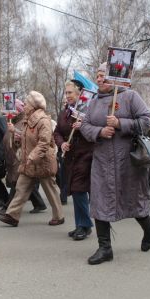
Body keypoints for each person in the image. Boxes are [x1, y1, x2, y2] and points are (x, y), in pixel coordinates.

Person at [79, 63, 150, 265]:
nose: (98, 79)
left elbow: (146, 123)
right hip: (101, 161)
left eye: (102, 75)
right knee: (99, 201)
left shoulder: (130, 96)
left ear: (115, 78)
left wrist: (120, 124)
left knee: (133, 200)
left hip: (128, 162)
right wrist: (99, 132)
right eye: (97, 76)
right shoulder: (94, 102)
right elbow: (85, 126)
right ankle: (105, 248)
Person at [0, 91, 65, 227]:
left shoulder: (43, 121)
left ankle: (59, 216)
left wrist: (32, 156)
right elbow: (26, 139)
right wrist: (15, 135)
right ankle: (12, 216)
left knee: (50, 191)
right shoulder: (27, 121)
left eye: (27, 103)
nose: (25, 106)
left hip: (43, 162)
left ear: (34, 106)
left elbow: (44, 142)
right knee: (20, 188)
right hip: (29, 162)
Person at [54, 80, 94, 240]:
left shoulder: (87, 111)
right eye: (66, 92)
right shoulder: (64, 112)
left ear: (79, 94)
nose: (67, 95)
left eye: (70, 92)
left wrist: (82, 126)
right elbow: (56, 132)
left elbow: (93, 131)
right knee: (75, 190)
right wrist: (62, 143)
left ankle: (85, 225)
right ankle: (81, 225)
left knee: (78, 189)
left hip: (85, 155)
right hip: (70, 157)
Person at [0, 98, 47, 215]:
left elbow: (26, 138)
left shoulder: (23, 122)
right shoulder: (11, 122)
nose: (6, 113)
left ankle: (8, 209)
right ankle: (39, 203)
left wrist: (14, 133)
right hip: (12, 156)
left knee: (17, 182)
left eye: (9, 111)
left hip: (20, 156)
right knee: (25, 182)